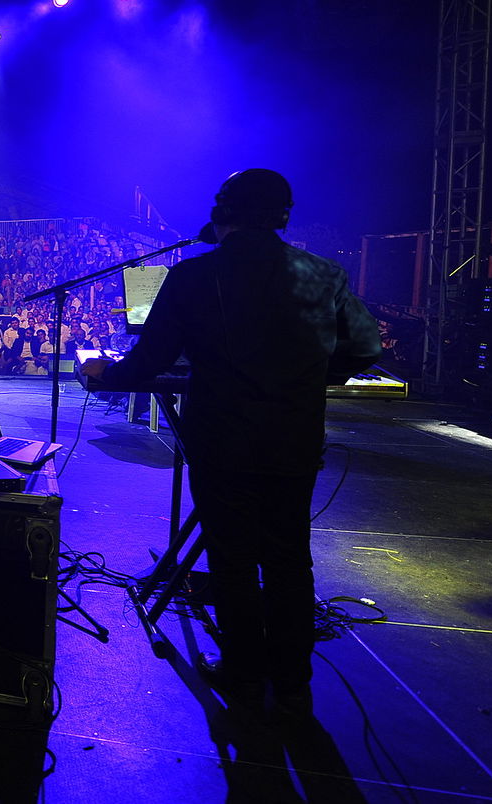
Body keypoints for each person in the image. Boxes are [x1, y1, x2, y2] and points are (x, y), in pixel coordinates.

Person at [81, 168, 381, 716]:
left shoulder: (194, 276)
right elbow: (364, 350)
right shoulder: (322, 275)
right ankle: (292, 681)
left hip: (222, 441)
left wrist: (105, 374)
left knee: (234, 560)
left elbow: (149, 363)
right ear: (284, 216)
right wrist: (311, 373)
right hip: (292, 440)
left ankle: (244, 675)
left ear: (222, 218)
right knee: (290, 560)